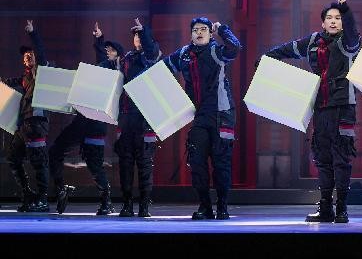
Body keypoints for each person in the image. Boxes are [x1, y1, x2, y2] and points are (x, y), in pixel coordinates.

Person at [263, 0, 361, 223]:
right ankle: (325, 207)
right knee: (323, 158)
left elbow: (352, 29)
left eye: (338, 18)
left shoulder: (348, 42)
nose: (334, 21)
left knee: (341, 158)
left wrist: (345, 8)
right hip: (320, 108)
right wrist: (266, 58)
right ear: (323, 22)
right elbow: (287, 49)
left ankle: (342, 208)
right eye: (330, 18)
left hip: (343, 107)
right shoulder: (312, 42)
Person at [165, 17, 241, 220]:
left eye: (204, 29)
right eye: (195, 29)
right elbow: (160, 69)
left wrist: (222, 29)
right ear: (191, 34)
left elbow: (235, 48)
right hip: (199, 116)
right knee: (197, 162)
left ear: (210, 33)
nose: (199, 32)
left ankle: (222, 207)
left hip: (222, 114)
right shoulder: (183, 54)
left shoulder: (217, 51)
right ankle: (205, 207)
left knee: (221, 163)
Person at [49, 22, 123, 215]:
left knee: (94, 164)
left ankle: (106, 201)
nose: (108, 51)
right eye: (107, 49)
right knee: (55, 150)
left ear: (119, 55)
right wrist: (98, 38)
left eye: (112, 50)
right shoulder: (103, 67)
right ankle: (61, 189)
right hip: (82, 120)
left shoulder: (119, 71)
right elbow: (100, 58)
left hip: (96, 124)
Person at [115, 18, 162, 218]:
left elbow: (151, 51)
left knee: (144, 165)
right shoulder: (126, 59)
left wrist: (144, 33)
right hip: (127, 117)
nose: (138, 39)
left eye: (141, 36)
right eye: (135, 36)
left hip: (145, 118)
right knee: (125, 164)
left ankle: (144, 205)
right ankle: (127, 204)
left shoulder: (153, 55)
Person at [4, 20, 51, 212]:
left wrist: (33, 33)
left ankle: (43, 199)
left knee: (39, 162)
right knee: (13, 157)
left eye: (30, 54)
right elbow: (7, 82)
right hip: (24, 125)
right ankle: (28, 194)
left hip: (37, 122)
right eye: (25, 55)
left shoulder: (41, 72)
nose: (27, 56)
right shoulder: (25, 78)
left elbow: (41, 53)